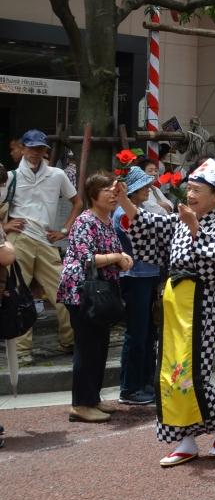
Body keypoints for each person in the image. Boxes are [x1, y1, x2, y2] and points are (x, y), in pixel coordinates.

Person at [117, 157, 215, 467]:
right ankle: (185, 438)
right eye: (189, 188)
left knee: (194, 373)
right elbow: (148, 225)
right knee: (170, 371)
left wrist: (194, 228)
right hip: (176, 301)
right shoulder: (178, 219)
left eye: (197, 190)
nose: (190, 195)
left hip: (202, 302)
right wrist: (123, 199)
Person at [57, 172, 132, 423]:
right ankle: (80, 404)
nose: (113, 194)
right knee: (87, 347)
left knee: (99, 347)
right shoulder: (85, 221)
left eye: (114, 190)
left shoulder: (107, 220)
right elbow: (86, 258)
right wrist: (117, 257)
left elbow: (111, 253)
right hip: (81, 292)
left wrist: (122, 259)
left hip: (100, 292)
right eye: (107, 190)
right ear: (93, 195)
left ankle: (92, 398)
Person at [7, 129, 80, 363]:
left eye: (40, 148)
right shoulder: (11, 177)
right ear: (23, 149)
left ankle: (69, 340)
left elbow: (77, 202)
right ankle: (21, 350)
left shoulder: (57, 175)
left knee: (63, 290)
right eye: (32, 148)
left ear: (45, 150)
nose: (36, 152)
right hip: (20, 239)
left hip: (46, 239)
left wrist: (64, 231)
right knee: (19, 294)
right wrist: (5, 226)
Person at [114, 167, 163, 406]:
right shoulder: (124, 214)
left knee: (148, 333)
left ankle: (145, 382)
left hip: (147, 275)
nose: (148, 189)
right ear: (132, 191)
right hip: (135, 277)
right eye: (144, 186)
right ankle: (130, 387)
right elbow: (142, 239)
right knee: (137, 333)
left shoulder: (139, 211)